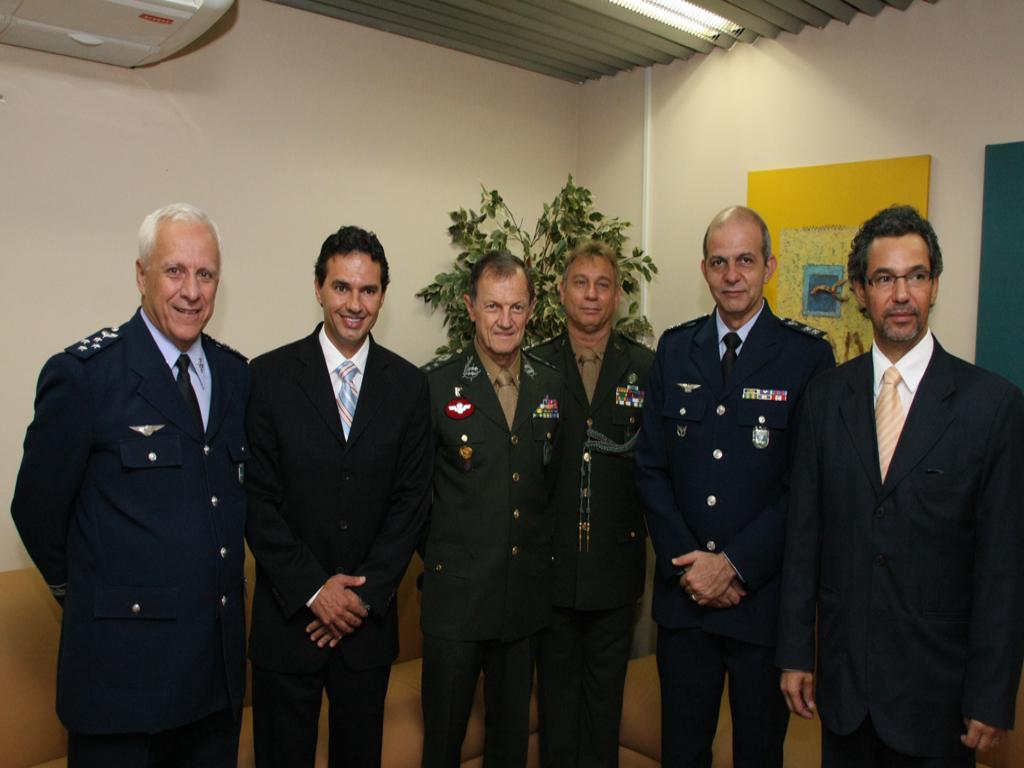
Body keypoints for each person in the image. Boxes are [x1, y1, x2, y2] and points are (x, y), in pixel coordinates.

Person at [777, 205, 1024, 766]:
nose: (902, 294)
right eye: (885, 279)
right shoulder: (825, 398)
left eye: (916, 276)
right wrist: (795, 653)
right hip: (845, 693)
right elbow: (803, 537)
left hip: (938, 700)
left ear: (935, 285)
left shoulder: (992, 406)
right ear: (860, 292)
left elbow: (1003, 568)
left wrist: (992, 693)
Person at [11, 203, 249, 767]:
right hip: (121, 681)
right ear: (141, 275)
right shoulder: (86, 376)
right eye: (174, 271)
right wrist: (91, 595)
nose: (191, 291)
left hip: (212, 680)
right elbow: (36, 511)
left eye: (206, 274)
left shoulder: (236, 375)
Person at [634, 205, 835, 768]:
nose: (731, 275)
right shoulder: (676, 349)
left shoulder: (806, 356)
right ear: (704, 269)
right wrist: (692, 567)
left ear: (769, 267)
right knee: (682, 752)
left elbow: (807, 486)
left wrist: (733, 566)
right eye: (719, 262)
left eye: (745, 261)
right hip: (685, 605)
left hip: (761, 606)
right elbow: (650, 468)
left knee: (758, 755)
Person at [244, 226, 432, 768]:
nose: (355, 304)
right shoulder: (268, 377)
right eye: (342, 287)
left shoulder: (408, 386)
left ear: (382, 296)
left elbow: (410, 503)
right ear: (318, 288)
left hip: (365, 630)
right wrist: (314, 590)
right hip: (288, 626)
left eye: (368, 290)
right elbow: (257, 499)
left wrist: (357, 599)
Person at [419, 250, 563, 768]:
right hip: (456, 604)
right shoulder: (434, 384)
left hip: (521, 604)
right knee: (443, 744)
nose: (505, 320)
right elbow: (414, 498)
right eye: (493, 306)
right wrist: (451, 561)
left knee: (509, 746)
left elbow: (549, 488)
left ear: (532, 309)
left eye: (516, 307)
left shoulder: (550, 383)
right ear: (470, 307)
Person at [530, 240, 653, 768]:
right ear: (561, 292)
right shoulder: (535, 365)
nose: (591, 295)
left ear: (618, 295)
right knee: (556, 707)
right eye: (580, 283)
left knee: (604, 709)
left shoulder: (646, 368)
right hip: (550, 567)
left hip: (614, 567)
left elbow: (657, 469)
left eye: (603, 284)